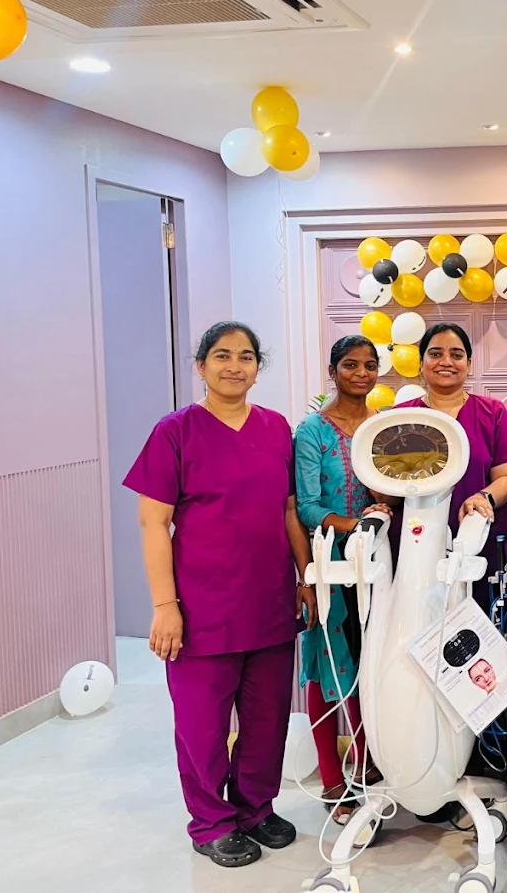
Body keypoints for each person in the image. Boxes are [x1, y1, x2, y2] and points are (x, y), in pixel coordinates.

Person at [125, 322, 317, 868]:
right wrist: (165, 607)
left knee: (266, 719)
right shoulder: (175, 432)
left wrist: (305, 576)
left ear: (258, 368)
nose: (235, 366)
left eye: (246, 356)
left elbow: (288, 510)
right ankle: (211, 822)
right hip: (201, 608)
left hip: (269, 603)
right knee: (203, 726)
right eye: (222, 355)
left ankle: (256, 809)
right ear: (202, 366)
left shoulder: (276, 428)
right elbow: (152, 523)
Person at [294, 336, 390, 824]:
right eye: (350, 365)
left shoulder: (383, 426)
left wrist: (384, 510)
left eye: (370, 365)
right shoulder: (312, 431)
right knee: (328, 661)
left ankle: (369, 761)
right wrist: (353, 524)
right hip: (330, 559)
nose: (361, 373)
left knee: (373, 659)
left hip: (378, 558)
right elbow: (307, 506)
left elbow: (394, 488)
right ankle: (332, 778)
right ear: (332, 371)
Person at [396, 323, 507, 606]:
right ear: (421, 363)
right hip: (414, 546)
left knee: (479, 625)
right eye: (435, 354)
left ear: (469, 364)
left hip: (479, 541)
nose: (446, 362)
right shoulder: (400, 417)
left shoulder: (492, 412)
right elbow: (386, 484)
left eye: (456, 354)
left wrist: (483, 497)